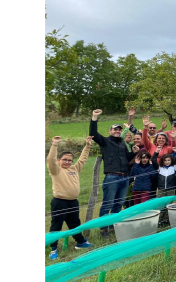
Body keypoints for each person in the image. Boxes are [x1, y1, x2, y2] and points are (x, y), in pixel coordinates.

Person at [89, 109, 136, 239]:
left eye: (119, 130)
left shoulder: (122, 144)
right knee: (108, 204)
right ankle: (103, 230)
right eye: (115, 129)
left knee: (118, 204)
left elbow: (127, 158)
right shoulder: (105, 141)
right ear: (110, 131)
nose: (117, 131)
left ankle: (113, 227)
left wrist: (134, 152)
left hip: (125, 177)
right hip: (112, 177)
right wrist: (94, 117)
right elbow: (93, 133)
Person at [47, 136, 93, 260]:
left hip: (73, 202)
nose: (67, 162)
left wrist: (87, 145)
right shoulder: (56, 170)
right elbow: (50, 160)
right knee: (56, 225)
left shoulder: (74, 169)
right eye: (65, 160)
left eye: (70, 160)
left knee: (75, 223)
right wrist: (55, 145)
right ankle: (53, 249)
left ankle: (80, 242)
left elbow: (82, 159)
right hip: (59, 202)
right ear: (59, 160)